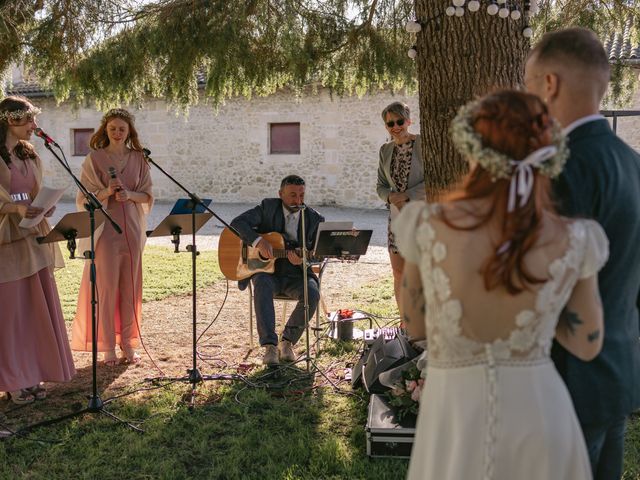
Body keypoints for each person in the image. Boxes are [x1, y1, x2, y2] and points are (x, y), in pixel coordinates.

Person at [393, 90, 608, 479]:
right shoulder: (575, 238)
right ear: (547, 154)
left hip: (454, 413)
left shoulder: (427, 227)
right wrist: (540, 306)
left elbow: (416, 325)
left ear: (473, 148)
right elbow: (586, 342)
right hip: (540, 411)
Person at [525, 27, 640, 480]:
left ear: (549, 84)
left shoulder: (558, 169)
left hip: (566, 380)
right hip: (619, 370)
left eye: (530, 85)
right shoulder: (632, 162)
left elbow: (543, 287)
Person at [0, 96, 75, 404]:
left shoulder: (29, 154)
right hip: (6, 240)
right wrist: (14, 209)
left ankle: (31, 374)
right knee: (11, 313)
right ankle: (12, 379)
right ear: (9, 120)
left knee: (34, 310)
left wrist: (43, 206)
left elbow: (33, 193)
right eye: (28, 120)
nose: (34, 126)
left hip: (33, 237)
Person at [71, 108, 153, 366]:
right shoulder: (94, 158)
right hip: (105, 231)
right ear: (105, 130)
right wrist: (107, 192)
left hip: (131, 229)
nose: (117, 133)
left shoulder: (140, 158)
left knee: (131, 287)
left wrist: (130, 195)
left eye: (122, 129)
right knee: (106, 289)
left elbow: (148, 195)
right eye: (113, 128)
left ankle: (128, 343)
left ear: (130, 132)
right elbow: (83, 198)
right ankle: (106, 346)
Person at [230, 175, 324, 365]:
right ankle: (270, 346)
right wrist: (258, 241)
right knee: (262, 285)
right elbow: (237, 223)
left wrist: (302, 261)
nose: (298, 200)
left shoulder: (314, 219)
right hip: (267, 273)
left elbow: (319, 254)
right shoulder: (267, 207)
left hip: (296, 274)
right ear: (280, 194)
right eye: (292, 195)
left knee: (312, 293)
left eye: (301, 195)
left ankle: (287, 342)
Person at [376, 102, 425, 309]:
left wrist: (408, 195)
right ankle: (404, 324)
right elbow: (380, 185)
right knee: (399, 272)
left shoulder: (423, 143)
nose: (395, 127)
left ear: (408, 121)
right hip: (396, 218)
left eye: (399, 121)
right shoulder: (385, 150)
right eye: (390, 123)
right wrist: (390, 197)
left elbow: (435, 180)